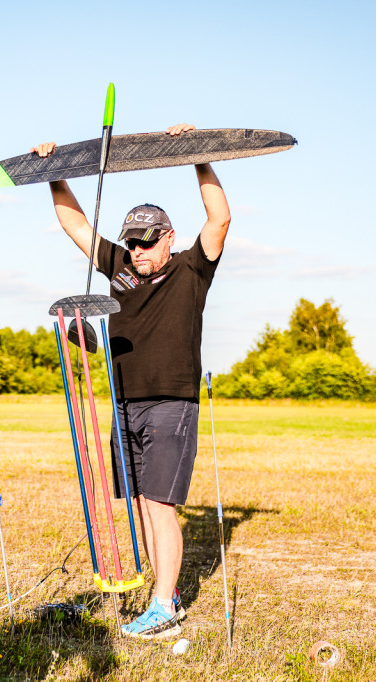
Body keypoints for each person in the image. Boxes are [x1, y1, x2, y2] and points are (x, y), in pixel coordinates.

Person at [32, 123, 231, 639]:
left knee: (162, 506)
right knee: (142, 502)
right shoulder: (120, 270)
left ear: (168, 237)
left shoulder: (192, 268)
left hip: (171, 402)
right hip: (124, 403)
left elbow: (220, 218)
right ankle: (167, 592)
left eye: (147, 241)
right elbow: (75, 226)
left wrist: (197, 155)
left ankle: (164, 607)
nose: (138, 250)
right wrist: (56, 172)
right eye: (132, 242)